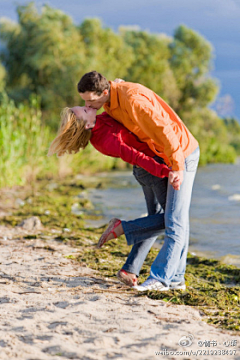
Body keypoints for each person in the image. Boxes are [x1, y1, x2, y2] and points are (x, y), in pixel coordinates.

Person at [77, 71, 200, 292]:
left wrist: (176, 166)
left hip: (181, 153)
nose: (87, 104)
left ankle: (161, 278)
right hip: (161, 158)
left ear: (104, 92)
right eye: (85, 101)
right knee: (175, 219)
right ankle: (176, 278)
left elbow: (166, 131)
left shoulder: (132, 100)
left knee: (174, 220)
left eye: (89, 100)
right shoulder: (108, 104)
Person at [48, 106, 179, 287]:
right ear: (87, 125)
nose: (87, 107)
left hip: (148, 170)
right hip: (151, 169)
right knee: (172, 220)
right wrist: (167, 171)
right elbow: (136, 156)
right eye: (84, 111)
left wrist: (117, 89)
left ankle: (130, 269)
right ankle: (122, 227)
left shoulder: (101, 120)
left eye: (83, 106)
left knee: (153, 220)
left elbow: (114, 108)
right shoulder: (105, 140)